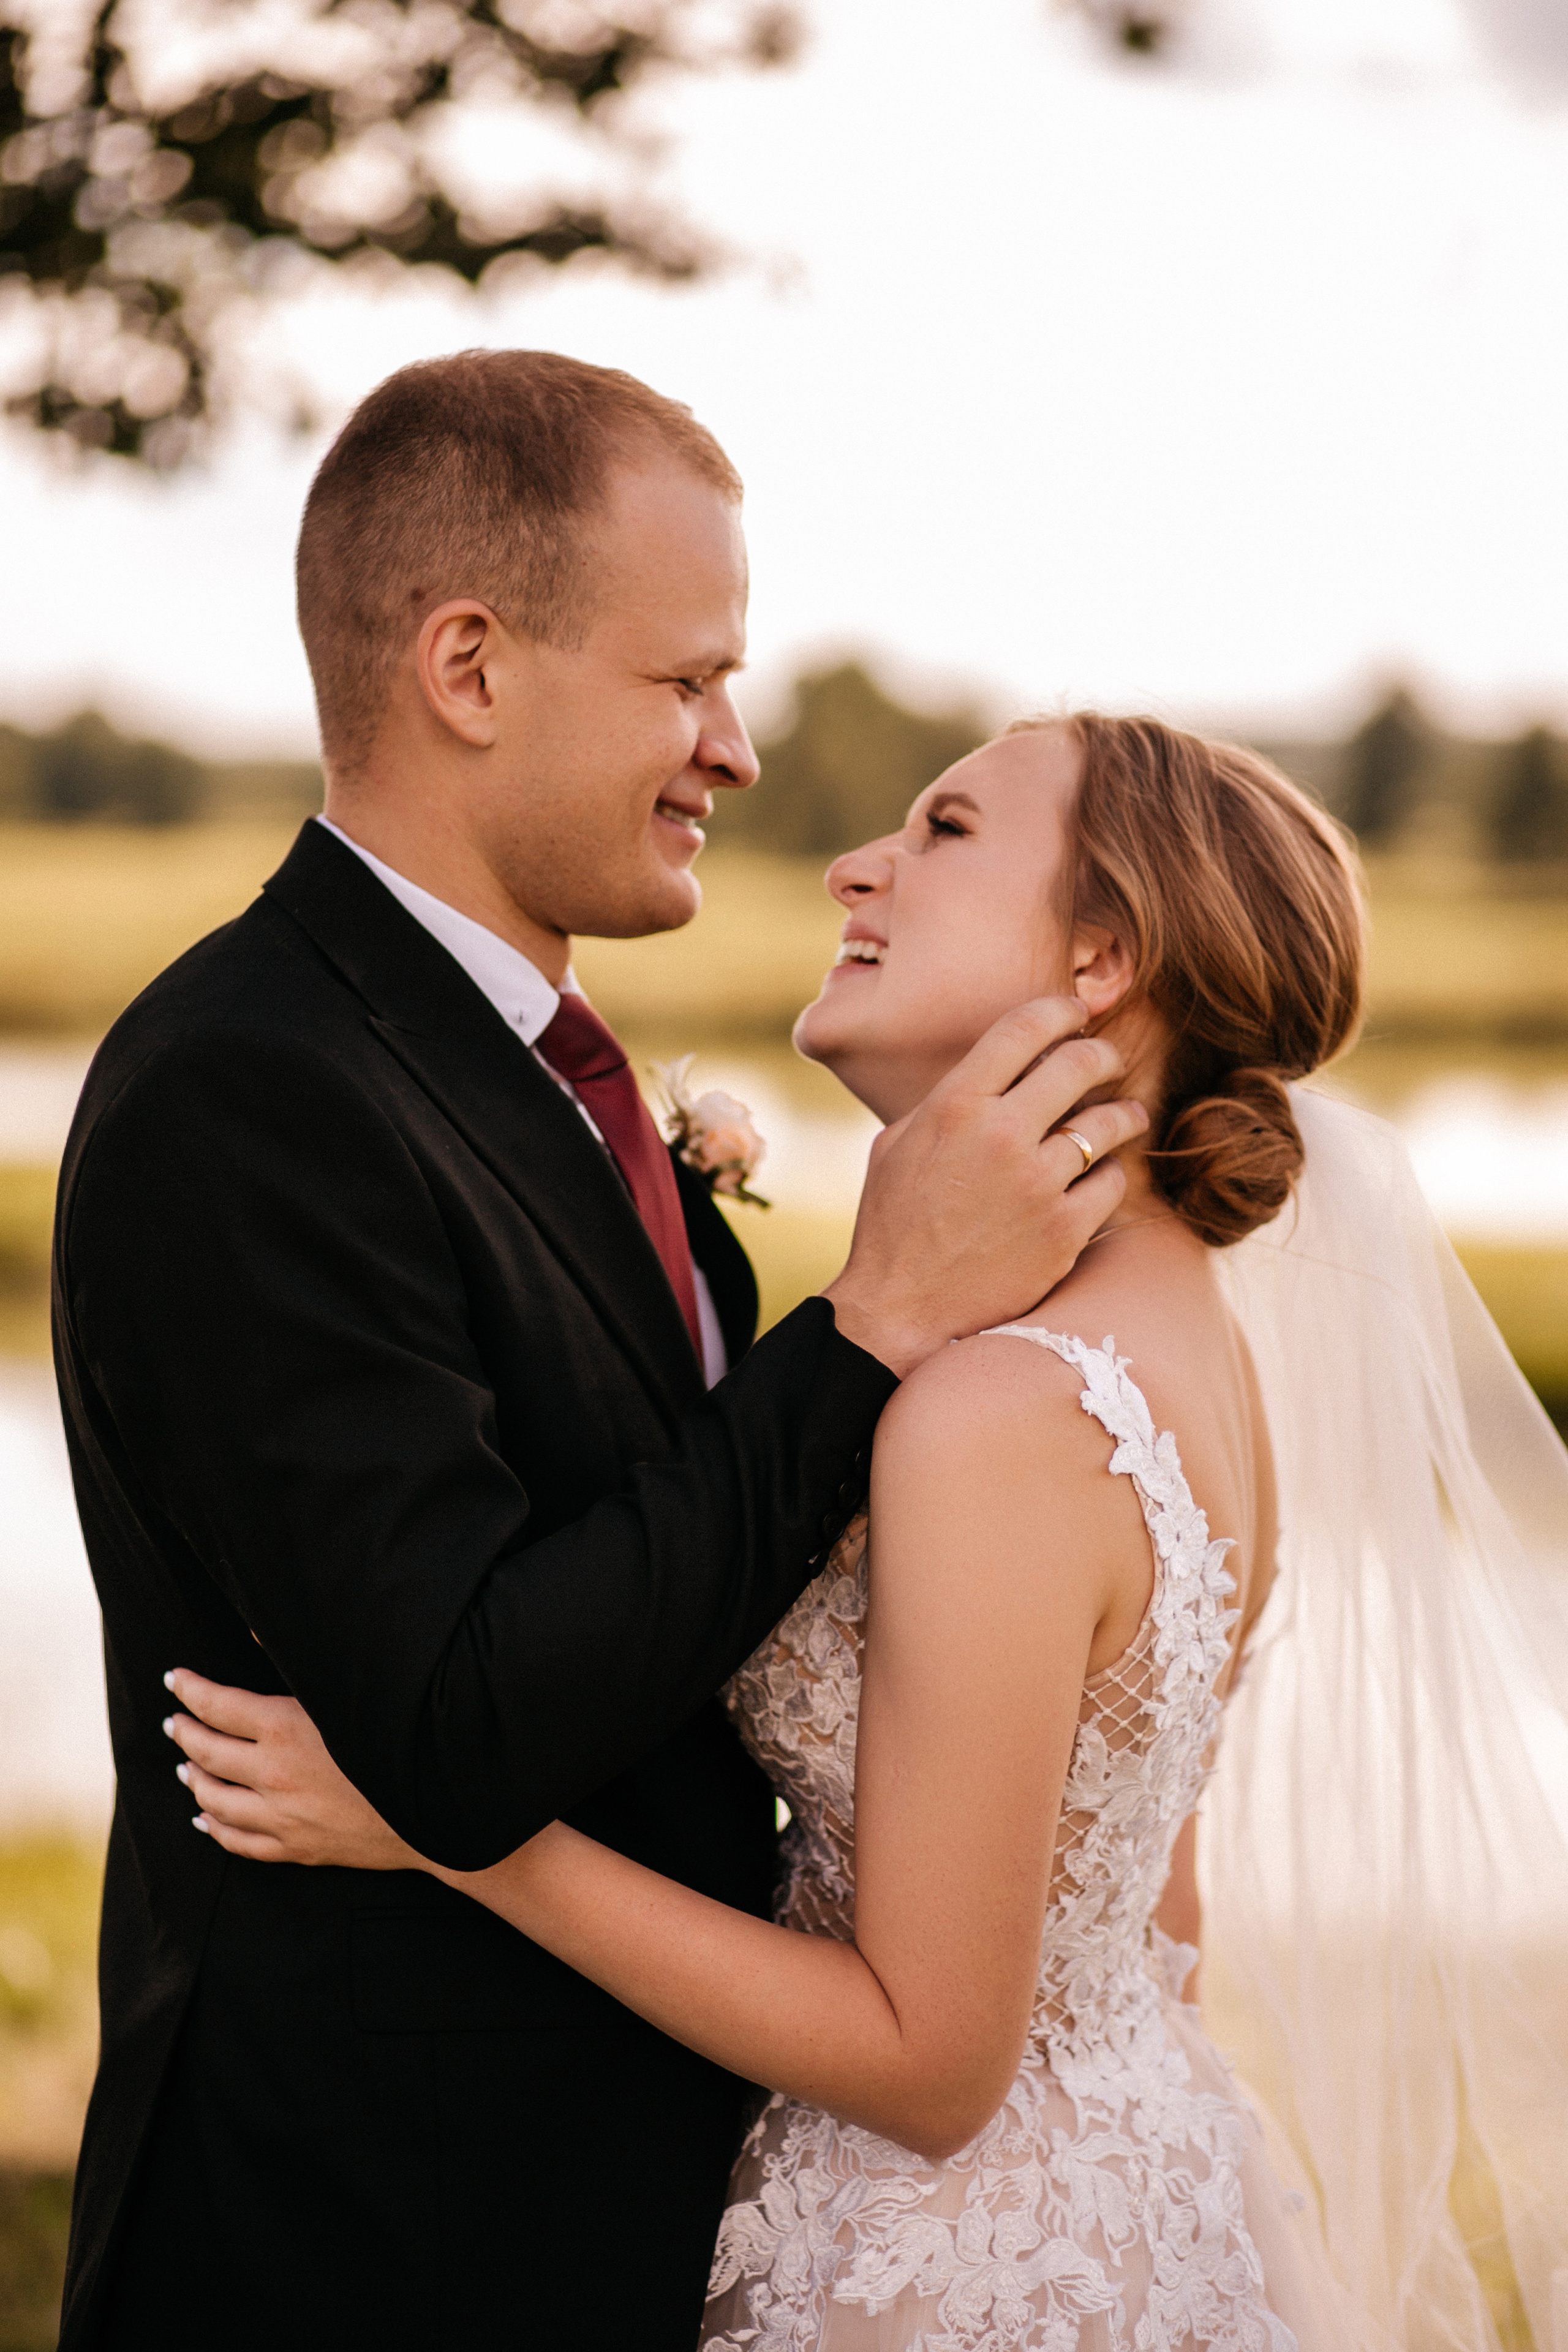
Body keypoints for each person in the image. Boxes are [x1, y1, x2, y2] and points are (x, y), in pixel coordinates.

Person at [171, 712, 1568, 2350]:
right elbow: (1147, 1906)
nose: (857, 864)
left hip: (938, 2269)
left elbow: (928, 2063)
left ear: (1102, 958)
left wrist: (446, 1833)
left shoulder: (1003, 1417)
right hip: (1127, 2198)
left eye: (948, 830)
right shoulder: (1197, 1348)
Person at [51, 351, 1148, 2352]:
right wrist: (874, 1328)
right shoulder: (251, 1087)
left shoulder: (543, 1071)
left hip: (638, 2224)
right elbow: (455, 1716)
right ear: (468, 667)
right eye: (686, 682)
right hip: (366, 2249)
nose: (735, 749)